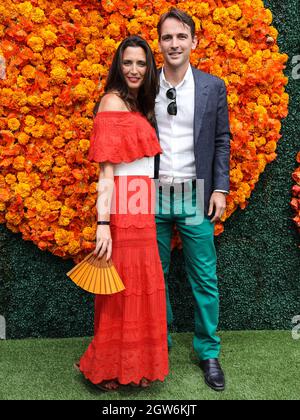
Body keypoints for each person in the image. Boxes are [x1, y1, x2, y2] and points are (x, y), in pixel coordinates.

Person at [76, 36, 169, 391]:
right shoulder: (112, 102)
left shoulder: (138, 105)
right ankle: (109, 367)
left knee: (141, 286)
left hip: (142, 202)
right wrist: (103, 224)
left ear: (149, 68)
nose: (134, 69)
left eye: (141, 63)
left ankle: (138, 364)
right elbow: (105, 171)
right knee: (119, 292)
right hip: (123, 207)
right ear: (119, 66)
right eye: (128, 63)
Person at [154, 8, 230, 392]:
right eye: (167, 37)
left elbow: (221, 141)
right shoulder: (144, 85)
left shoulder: (212, 87)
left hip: (195, 194)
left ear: (194, 42)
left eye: (181, 37)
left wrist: (220, 188)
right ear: (159, 42)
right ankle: (159, 345)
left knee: (204, 278)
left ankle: (208, 352)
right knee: (154, 277)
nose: (174, 44)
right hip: (149, 195)